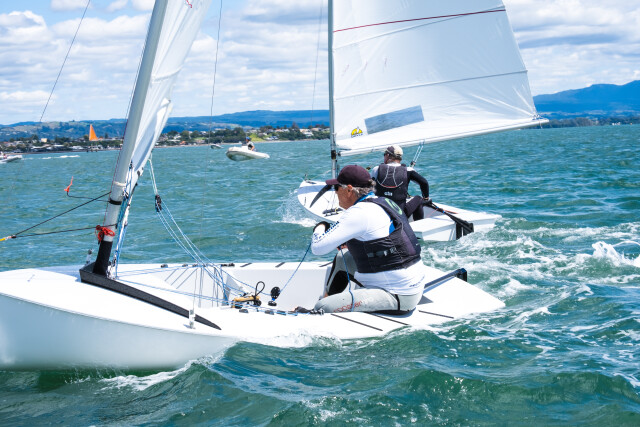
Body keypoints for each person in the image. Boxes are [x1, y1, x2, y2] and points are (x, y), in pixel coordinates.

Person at [305, 164, 426, 314]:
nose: (335, 192)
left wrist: (320, 226)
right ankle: (329, 298)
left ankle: (324, 307)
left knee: (321, 307)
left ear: (349, 190)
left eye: (336, 188)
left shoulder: (359, 212)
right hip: (411, 284)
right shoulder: (381, 202)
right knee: (343, 258)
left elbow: (317, 248)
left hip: (398, 295)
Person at [370, 145, 429, 221]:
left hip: (381, 213)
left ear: (387, 155)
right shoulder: (408, 170)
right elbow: (424, 183)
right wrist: (426, 198)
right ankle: (418, 225)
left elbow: (369, 187)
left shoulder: (376, 169)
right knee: (418, 199)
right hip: (400, 215)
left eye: (384, 154)